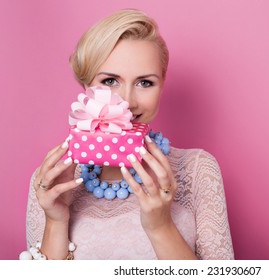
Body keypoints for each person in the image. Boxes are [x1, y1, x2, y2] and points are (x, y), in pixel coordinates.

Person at [24, 9, 234, 260]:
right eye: (110, 81)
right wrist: (56, 221)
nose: (127, 102)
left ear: (162, 85)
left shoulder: (197, 169)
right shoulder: (53, 180)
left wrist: (160, 226)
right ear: (85, 86)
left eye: (144, 82)